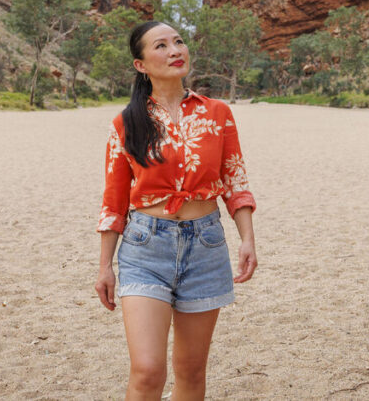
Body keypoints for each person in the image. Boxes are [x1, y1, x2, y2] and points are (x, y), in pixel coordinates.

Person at [95, 20, 258, 400]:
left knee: (190, 370)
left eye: (179, 42)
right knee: (148, 371)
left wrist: (247, 239)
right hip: (145, 247)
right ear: (141, 64)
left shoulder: (217, 113)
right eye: (162, 46)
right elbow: (114, 199)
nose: (175, 51)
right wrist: (104, 266)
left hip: (206, 245)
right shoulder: (126, 123)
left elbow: (235, 180)